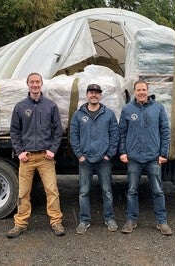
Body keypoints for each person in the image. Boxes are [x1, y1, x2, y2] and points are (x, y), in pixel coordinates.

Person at [7, 72, 65, 238]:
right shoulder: (20, 107)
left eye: (37, 82)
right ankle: (20, 224)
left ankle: (56, 222)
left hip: (45, 158)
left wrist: (52, 149)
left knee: (52, 190)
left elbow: (58, 130)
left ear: (41, 84)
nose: (35, 85)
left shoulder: (50, 106)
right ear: (28, 84)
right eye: (32, 82)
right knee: (23, 193)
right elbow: (15, 131)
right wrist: (20, 152)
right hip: (27, 158)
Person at [119, 80, 172, 235]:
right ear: (134, 92)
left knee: (157, 190)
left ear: (148, 91)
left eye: (143, 89)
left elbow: (165, 131)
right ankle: (131, 220)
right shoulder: (128, 109)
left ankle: (162, 222)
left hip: (153, 157)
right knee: (132, 190)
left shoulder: (158, 108)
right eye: (138, 90)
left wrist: (163, 154)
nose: (141, 92)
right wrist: (123, 151)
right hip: (134, 158)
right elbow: (122, 132)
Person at [69, 83, 120, 234]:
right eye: (91, 92)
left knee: (107, 191)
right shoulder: (78, 115)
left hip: (103, 160)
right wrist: (79, 155)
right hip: (86, 161)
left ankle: (109, 218)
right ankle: (84, 220)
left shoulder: (108, 114)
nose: (94, 95)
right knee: (84, 191)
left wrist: (108, 155)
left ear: (100, 95)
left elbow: (115, 135)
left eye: (97, 93)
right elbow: (73, 136)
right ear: (87, 95)